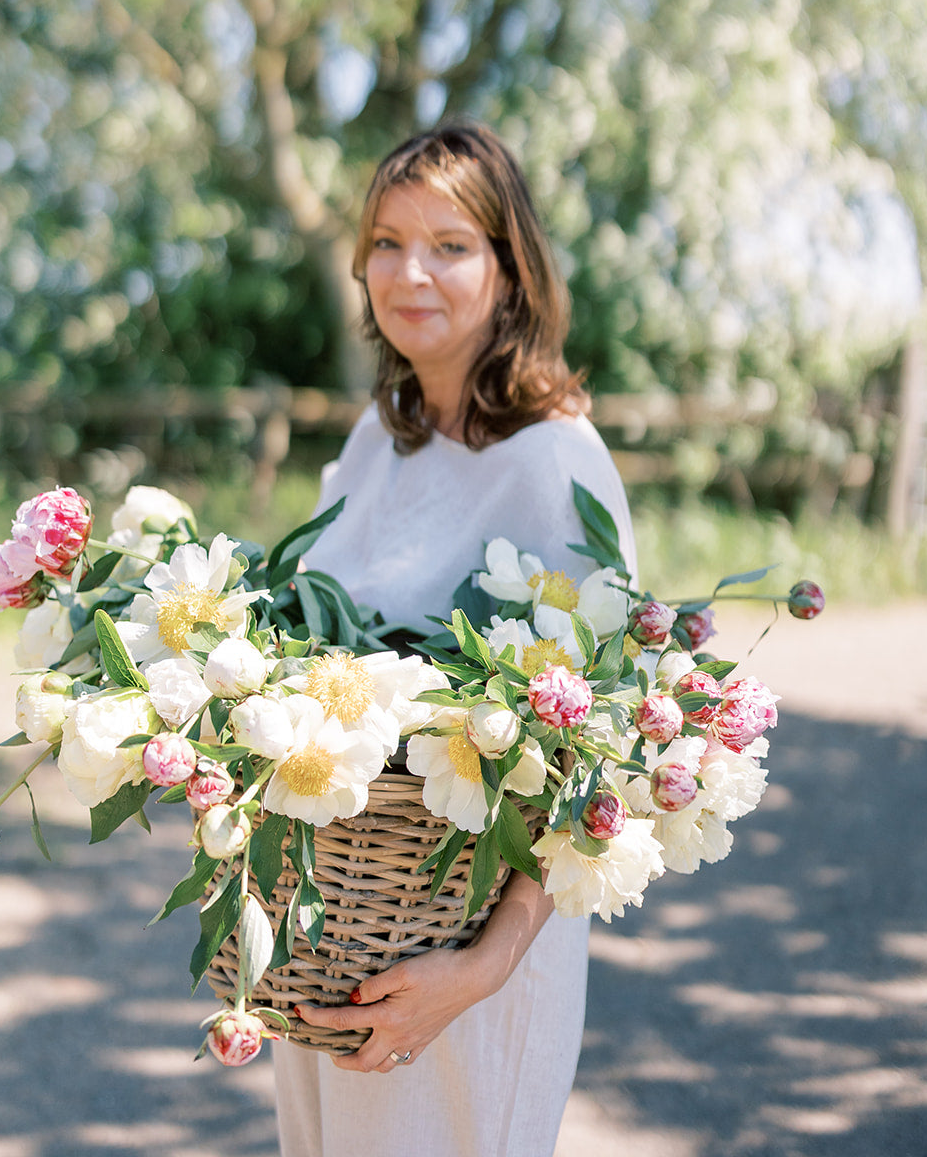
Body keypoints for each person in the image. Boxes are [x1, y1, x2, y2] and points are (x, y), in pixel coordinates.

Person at [273, 123, 636, 1157]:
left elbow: (597, 755)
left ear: (510, 269)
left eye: (449, 245)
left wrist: (479, 969)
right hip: (339, 932)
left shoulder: (554, 461)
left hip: (463, 969)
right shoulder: (376, 440)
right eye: (386, 243)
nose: (409, 273)